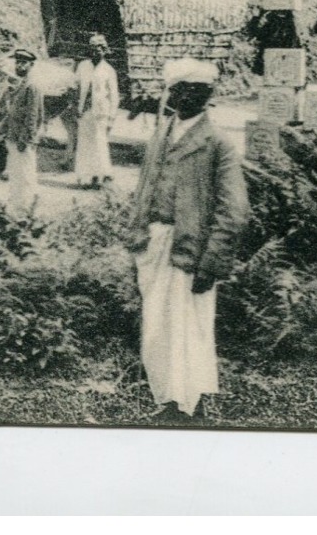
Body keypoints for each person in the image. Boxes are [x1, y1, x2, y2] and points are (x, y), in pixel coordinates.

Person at [125, 58, 250, 423]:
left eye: (193, 91)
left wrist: (212, 262)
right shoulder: (163, 132)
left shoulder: (217, 143)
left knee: (186, 327)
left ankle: (187, 405)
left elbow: (234, 211)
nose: (182, 97)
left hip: (190, 248)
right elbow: (144, 187)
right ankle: (165, 397)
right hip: (154, 241)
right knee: (156, 324)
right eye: (177, 89)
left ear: (207, 95)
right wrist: (138, 233)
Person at [73, 33, 119, 190]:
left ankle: (100, 177)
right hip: (84, 111)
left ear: (105, 51)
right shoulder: (83, 67)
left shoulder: (108, 70)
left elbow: (114, 96)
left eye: (100, 49)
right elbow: (76, 86)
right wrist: (75, 106)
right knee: (84, 144)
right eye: (93, 48)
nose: (96, 51)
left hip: (101, 113)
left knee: (99, 144)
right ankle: (85, 177)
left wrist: (111, 118)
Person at [3, 48, 44, 213]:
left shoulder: (32, 85)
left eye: (23, 63)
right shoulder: (22, 83)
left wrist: (25, 139)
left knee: (25, 175)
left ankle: (26, 207)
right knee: (16, 174)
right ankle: (17, 204)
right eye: (17, 62)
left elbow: (33, 115)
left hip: (23, 138)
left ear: (31, 65)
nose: (19, 66)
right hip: (15, 134)